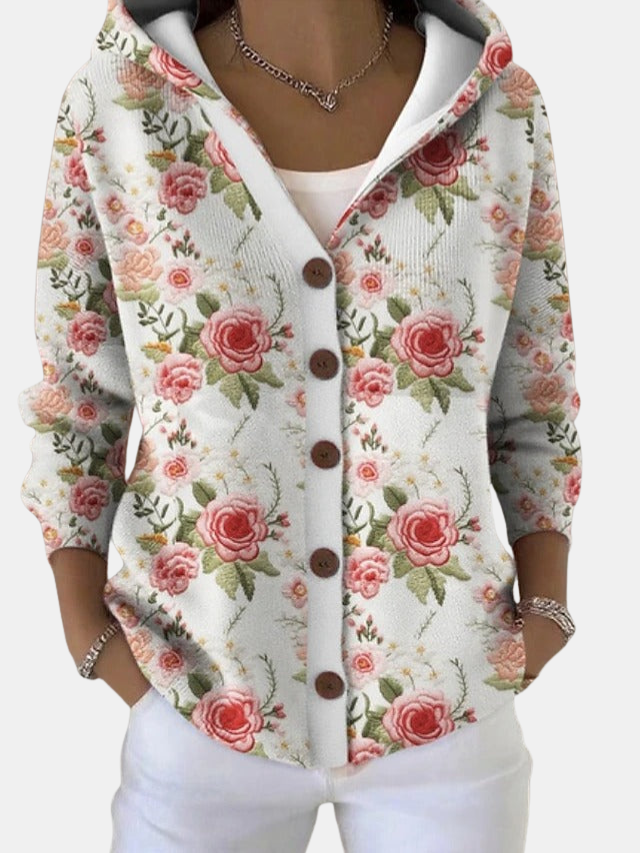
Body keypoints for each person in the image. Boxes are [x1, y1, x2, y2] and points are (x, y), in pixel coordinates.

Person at [17, 1, 581, 850]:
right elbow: (79, 397)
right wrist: (90, 638)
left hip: (448, 715)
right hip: (199, 701)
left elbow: (536, 391)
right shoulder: (119, 103)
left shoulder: (496, 106)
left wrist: (545, 613)